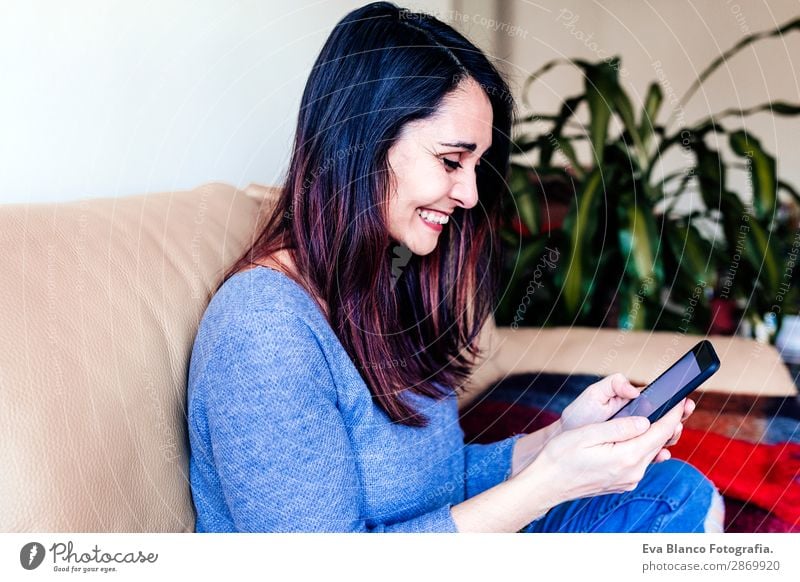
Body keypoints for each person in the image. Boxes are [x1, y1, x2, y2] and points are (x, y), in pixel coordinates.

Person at [186, 1, 724, 533]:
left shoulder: (391, 275)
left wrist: (558, 440)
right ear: (363, 141)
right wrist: (551, 484)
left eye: (475, 166)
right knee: (679, 516)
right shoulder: (263, 329)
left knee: (678, 493)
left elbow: (436, 484)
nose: (469, 193)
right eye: (450, 160)